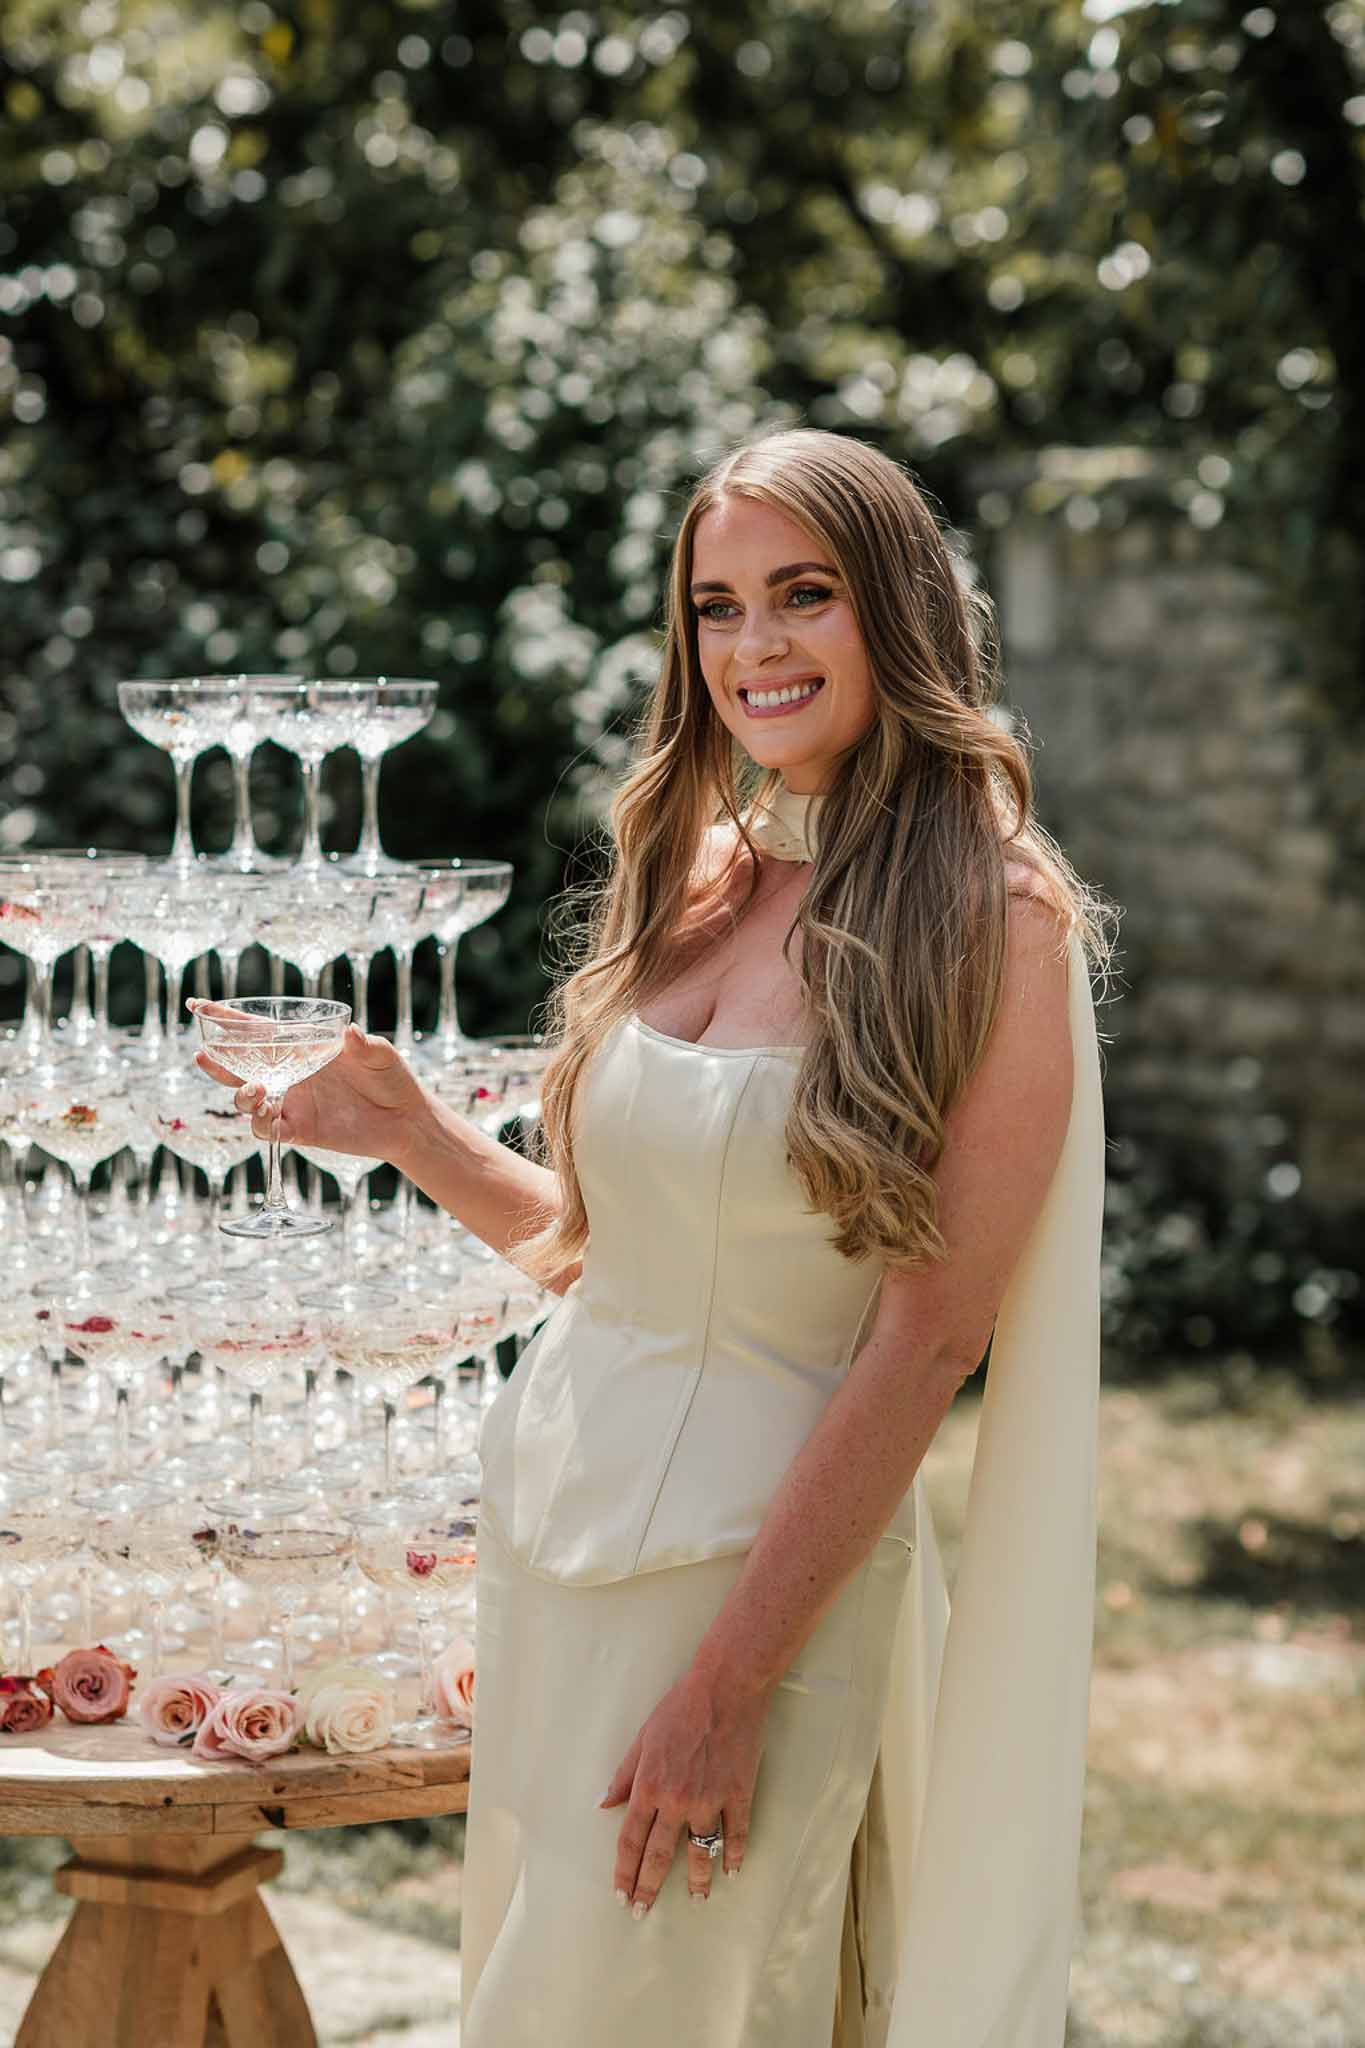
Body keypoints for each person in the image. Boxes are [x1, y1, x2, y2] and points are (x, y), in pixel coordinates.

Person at [197, 427, 1116, 2047]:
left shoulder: (995, 918)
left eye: (802, 596)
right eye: (716, 606)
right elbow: (620, 1264)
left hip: (755, 1589)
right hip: (555, 1552)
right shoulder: (699, 869)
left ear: (896, 609)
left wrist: (730, 1685)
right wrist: (414, 1134)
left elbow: (927, 1337)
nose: (754, 646)